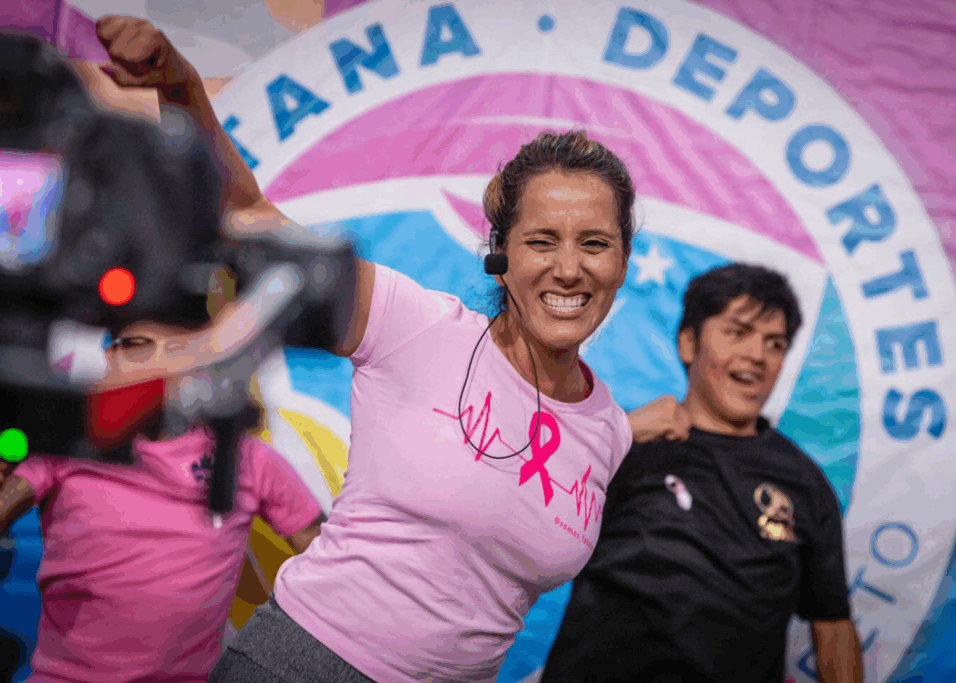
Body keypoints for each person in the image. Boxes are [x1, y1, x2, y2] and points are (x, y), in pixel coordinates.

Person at [90, 14, 638, 683]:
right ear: (501, 254)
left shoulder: (609, 430)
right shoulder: (419, 326)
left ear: (623, 260)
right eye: (541, 241)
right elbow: (248, 215)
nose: (568, 269)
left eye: (594, 243)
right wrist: (182, 89)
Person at [541, 263, 863, 683]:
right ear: (688, 343)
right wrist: (616, 433)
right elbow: (514, 513)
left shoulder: (804, 481)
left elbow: (833, 626)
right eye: (738, 332)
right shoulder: (625, 443)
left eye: (775, 343)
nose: (757, 355)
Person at [0, 320, 327, 683]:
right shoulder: (68, 447)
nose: (121, 359)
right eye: (119, 347)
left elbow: (328, 560)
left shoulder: (247, 459)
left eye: (141, 346)